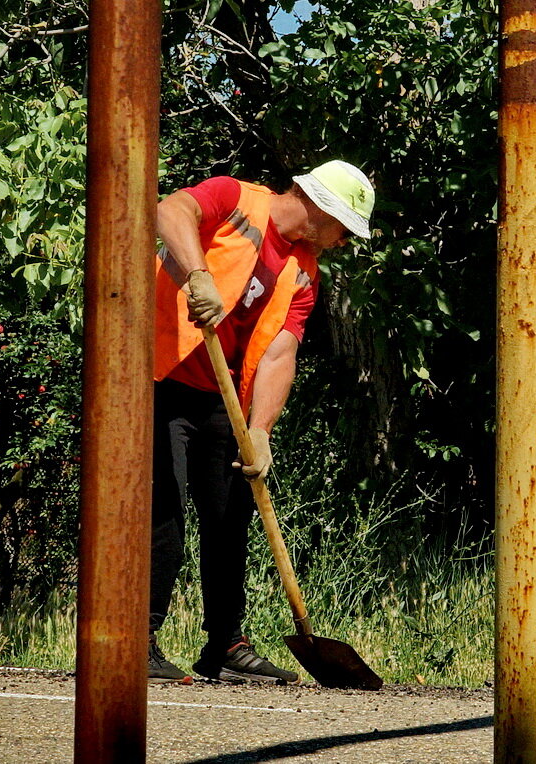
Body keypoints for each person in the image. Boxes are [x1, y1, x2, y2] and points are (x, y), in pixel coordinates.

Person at [145, 160, 375, 684]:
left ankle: (224, 644)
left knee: (231, 520)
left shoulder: (304, 272)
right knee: (164, 512)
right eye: (343, 230)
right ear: (323, 209)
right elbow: (170, 210)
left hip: (222, 399)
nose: (342, 243)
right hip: (160, 377)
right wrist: (198, 275)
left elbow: (279, 352)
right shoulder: (235, 198)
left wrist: (261, 428)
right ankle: (139, 640)